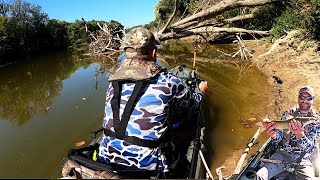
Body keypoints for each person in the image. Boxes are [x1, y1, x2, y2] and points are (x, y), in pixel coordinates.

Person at [97, 27, 208, 177]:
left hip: (106, 160)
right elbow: (194, 104)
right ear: (154, 53)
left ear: (126, 54)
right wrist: (201, 91)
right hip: (148, 166)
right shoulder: (168, 81)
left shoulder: (113, 81)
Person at [255, 85, 320, 180]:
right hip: (282, 154)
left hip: (303, 159)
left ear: (312, 100)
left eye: (308, 98)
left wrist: (300, 136)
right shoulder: (288, 114)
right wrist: (273, 135)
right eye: (302, 97)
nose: (304, 100)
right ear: (298, 98)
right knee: (260, 175)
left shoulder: (315, 120)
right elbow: (279, 138)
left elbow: (311, 149)